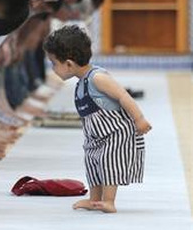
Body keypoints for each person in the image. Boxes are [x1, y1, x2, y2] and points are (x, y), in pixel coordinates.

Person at [43, 25, 151, 213]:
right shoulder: (81, 83)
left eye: (54, 63)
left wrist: (139, 119)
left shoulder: (97, 78)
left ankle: (109, 201)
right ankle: (94, 199)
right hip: (95, 136)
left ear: (69, 64)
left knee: (109, 162)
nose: (52, 68)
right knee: (93, 162)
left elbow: (123, 96)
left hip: (115, 134)